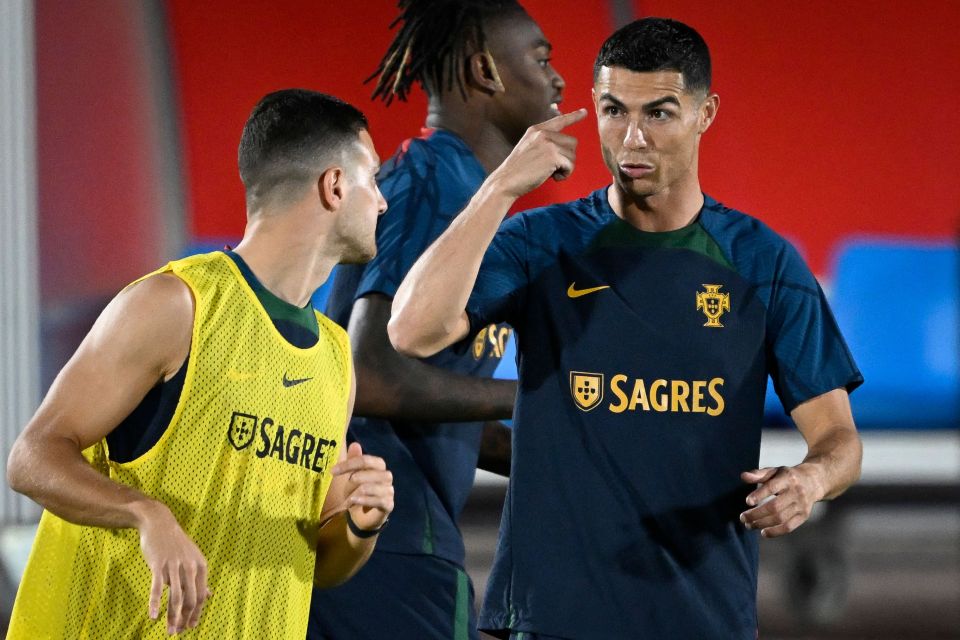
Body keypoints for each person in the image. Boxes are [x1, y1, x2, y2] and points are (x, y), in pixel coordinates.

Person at [389, 17, 863, 639]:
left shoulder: (762, 264)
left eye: (660, 113)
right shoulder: (541, 244)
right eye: (613, 110)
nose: (632, 138)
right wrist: (502, 186)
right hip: (553, 615)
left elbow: (840, 441)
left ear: (706, 113)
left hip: (702, 614)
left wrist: (810, 480)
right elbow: (410, 332)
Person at [6, 89, 394, 639]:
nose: (381, 202)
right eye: (372, 180)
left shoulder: (335, 359)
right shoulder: (175, 305)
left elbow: (317, 564)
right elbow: (30, 457)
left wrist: (359, 524)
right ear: (334, 185)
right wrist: (146, 513)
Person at [307, 1, 565, 639]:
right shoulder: (436, 183)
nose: (558, 79)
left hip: (382, 531)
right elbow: (367, 377)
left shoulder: (455, 186)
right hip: (390, 537)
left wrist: (574, 442)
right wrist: (542, 401)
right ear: (486, 71)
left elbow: (421, 400)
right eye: (541, 58)